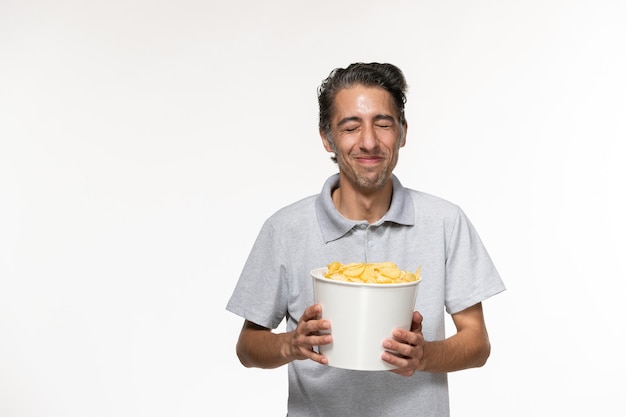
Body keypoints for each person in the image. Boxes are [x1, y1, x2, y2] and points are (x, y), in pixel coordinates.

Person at [226, 62, 505, 417]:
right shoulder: (285, 229)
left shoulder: (445, 222)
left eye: (383, 124)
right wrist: (290, 344)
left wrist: (423, 355)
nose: (369, 141)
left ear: (403, 132)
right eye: (351, 126)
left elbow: (477, 343)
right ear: (327, 137)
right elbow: (247, 347)